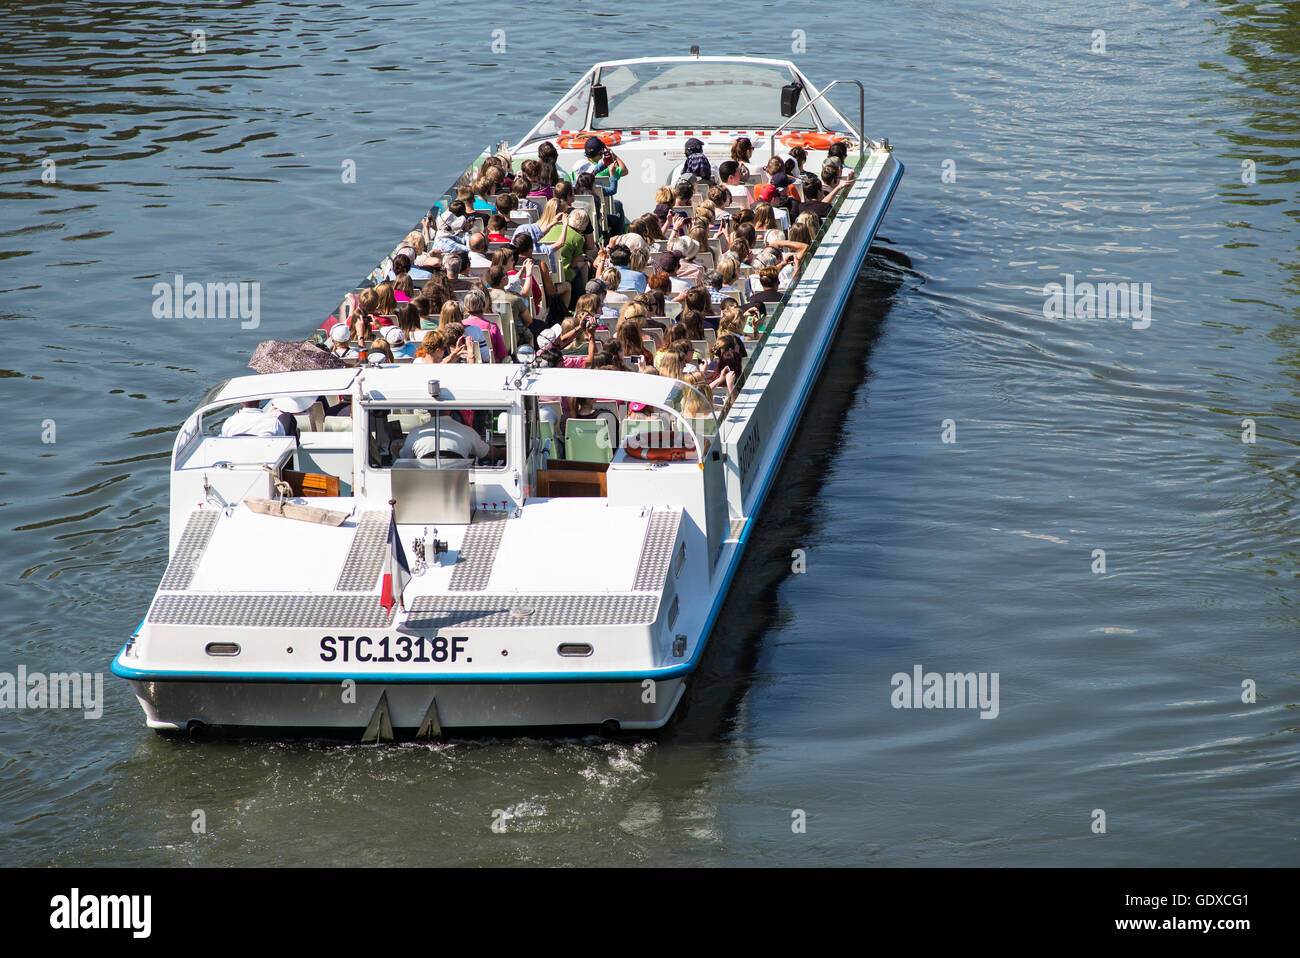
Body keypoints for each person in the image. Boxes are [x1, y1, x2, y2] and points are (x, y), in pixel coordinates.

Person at [397, 413, 490, 461]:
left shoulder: (415, 434)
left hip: (425, 488)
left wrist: (396, 451)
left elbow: (405, 459)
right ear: (451, 408)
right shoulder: (468, 432)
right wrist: (502, 451)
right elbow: (486, 453)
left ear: (428, 410)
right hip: (459, 488)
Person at [462, 288, 507, 362]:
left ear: (466, 307)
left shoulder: (461, 326)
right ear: (484, 306)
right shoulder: (492, 327)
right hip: (491, 366)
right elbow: (502, 354)